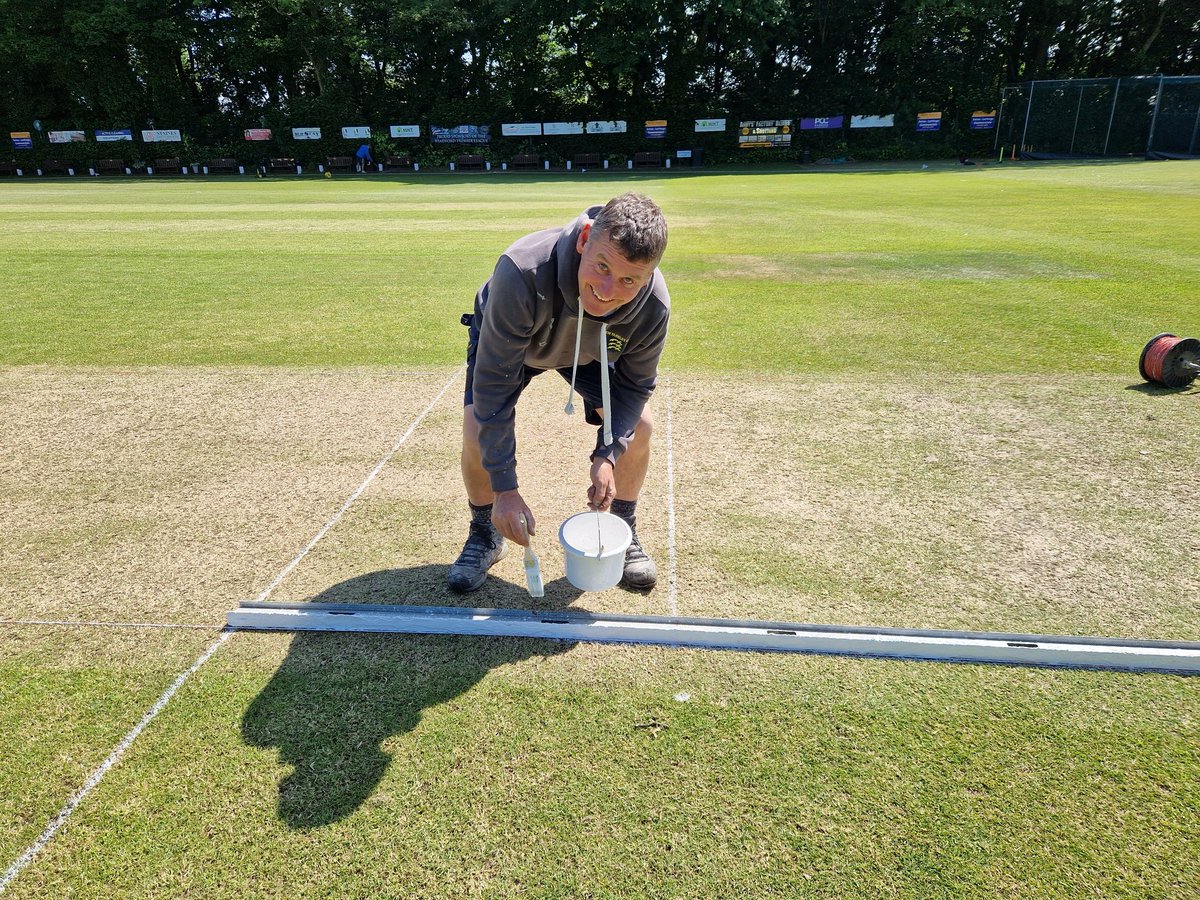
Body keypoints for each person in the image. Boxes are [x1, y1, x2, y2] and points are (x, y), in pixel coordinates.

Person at [450, 192, 670, 594]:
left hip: (588, 353)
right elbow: (493, 387)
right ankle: (484, 533)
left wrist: (608, 454)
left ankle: (622, 529)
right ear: (584, 239)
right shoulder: (522, 270)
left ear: (648, 274)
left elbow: (636, 386)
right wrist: (504, 488)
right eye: (602, 266)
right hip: (518, 343)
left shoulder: (653, 305)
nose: (607, 289)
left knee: (640, 424)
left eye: (629, 280)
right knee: (475, 429)